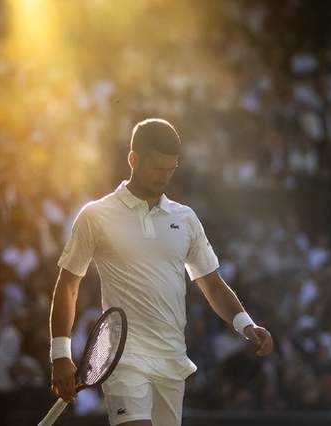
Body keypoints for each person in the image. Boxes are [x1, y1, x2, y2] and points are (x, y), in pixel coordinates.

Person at [48, 118, 273, 426]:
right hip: (122, 359)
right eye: (157, 168)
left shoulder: (187, 218)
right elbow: (68, 284)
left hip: (172, 360)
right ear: (133, 159)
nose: (164, 177)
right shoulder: (95, 216)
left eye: (171, 168)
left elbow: (212, 285)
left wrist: (247, 326)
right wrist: (60, 353)